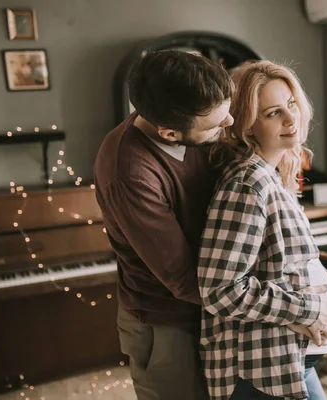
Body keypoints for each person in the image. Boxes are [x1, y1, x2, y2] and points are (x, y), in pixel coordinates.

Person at [198, 60, 327, 400]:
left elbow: (285, 264)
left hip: (288, 363)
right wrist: (306, 310)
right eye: (273, 113)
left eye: (291, 104)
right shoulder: (249, 184)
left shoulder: (274, 172)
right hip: (259, 372)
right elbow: (220, 290)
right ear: (248, 127)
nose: (291, 118)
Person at [93, 49, 234, 400]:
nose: (230, 123)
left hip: (212, 304)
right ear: (170, 134)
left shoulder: (192, 120)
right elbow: (183, 279)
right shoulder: (130, 173)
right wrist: (273, 303)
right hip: (164, 323)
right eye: (216, 124)